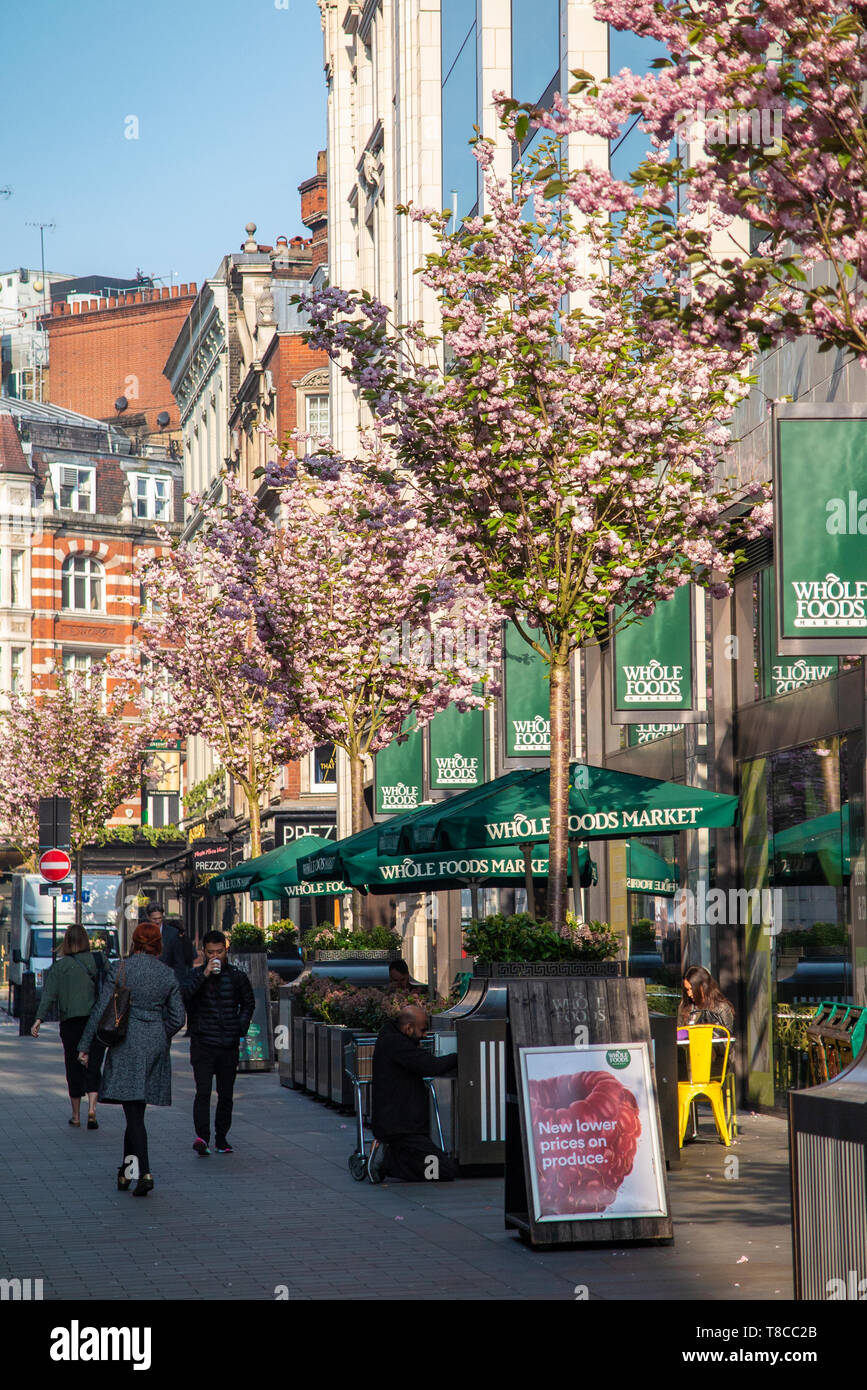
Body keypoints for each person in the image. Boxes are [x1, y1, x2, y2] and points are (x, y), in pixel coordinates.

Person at [78, 922, 185, 1197]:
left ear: (135, 942)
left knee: (133, 1111)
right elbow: (178, 1017)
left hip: (126, 1042)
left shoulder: (122, 968)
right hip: (155, 1043)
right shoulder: (167, 974)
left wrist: (84, 1044)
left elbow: (101, 1008)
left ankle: (145, 1171)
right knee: (135, 1110)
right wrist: (161, 1034)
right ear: (159, 944)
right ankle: (126, 1172)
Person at [368, 1004, 459, 1184]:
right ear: (408, 1028)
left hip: (404, 1128)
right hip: (401, 1129)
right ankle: (388, 1163)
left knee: (437, 1165)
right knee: (443, 1171)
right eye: (423, 1030)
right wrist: (461, 1055)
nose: (425, 1035)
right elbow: (430, 1066)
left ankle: (393, 1156)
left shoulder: (392, 1039)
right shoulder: (396, 1044)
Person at [182, 930, 254, 1156]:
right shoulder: (195, 975)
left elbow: (248, 1003)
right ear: (203, 952)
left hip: (227, 1043)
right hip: (203, 1043)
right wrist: (204, 974)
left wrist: (238, 1028)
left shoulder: (237, 976)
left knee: (225, 1093)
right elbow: (185, 996)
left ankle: (222, 1138)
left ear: (226, 950)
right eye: (211, 952)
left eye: (220, 952)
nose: (216, 956)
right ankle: (202, 1136)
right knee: (203, 1091)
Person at [31, 925, 107, 1130]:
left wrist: (39, 1019)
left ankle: (76, 1115)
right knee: (93, 1065)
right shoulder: (98, 960)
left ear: (66, 942)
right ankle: (92, 1109)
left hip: (71, 1023)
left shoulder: (60, 967)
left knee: (73, 1067)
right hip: (95, 1021)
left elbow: (49, 995)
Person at [677, 965, 735, 1031]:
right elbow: (679, 1033)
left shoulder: (721, 1008)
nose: (689, 994)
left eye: (692, 989)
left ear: (703, 987)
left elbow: (726, 1037)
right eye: (687, 990)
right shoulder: (685, 1006)